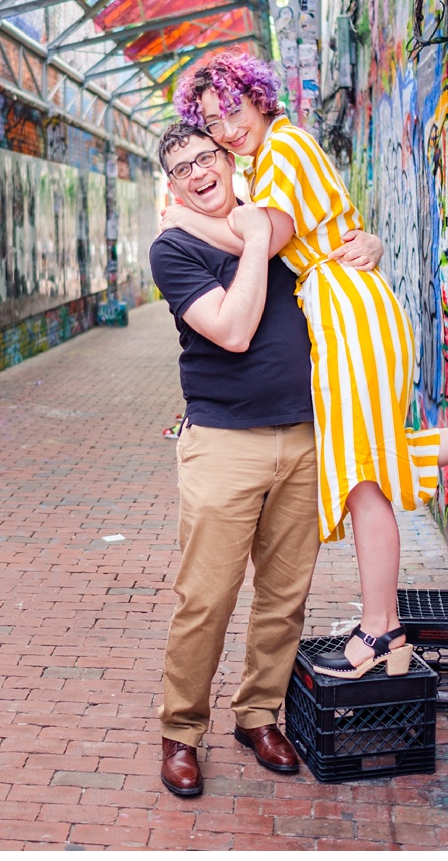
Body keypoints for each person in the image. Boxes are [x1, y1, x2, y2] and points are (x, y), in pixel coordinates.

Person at [167, 50, 448, 679]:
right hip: (345, 307)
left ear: (259, 97)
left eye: (233, 110)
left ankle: (381, 630)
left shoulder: (284, 147)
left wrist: (178, 217)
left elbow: (264, 235)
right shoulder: (271, 157)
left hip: (347, 312)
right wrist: (367, 237)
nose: (227, 128)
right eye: (212, 123)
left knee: (364, 473)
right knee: (363, 460)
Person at [149, 122, 387, 795]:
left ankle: (257, 715)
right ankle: (181, 730)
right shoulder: (174, 248)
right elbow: (232, 329)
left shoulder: (276, 224)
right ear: (172, 187)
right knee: (207, 599)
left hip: (304, 438)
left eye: (206, 157)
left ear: (229, 161)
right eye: (182, 168)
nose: (198, 172)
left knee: (285, 598)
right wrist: (255, 242)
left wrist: (371, 243)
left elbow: (339, 251)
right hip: (224, 442)